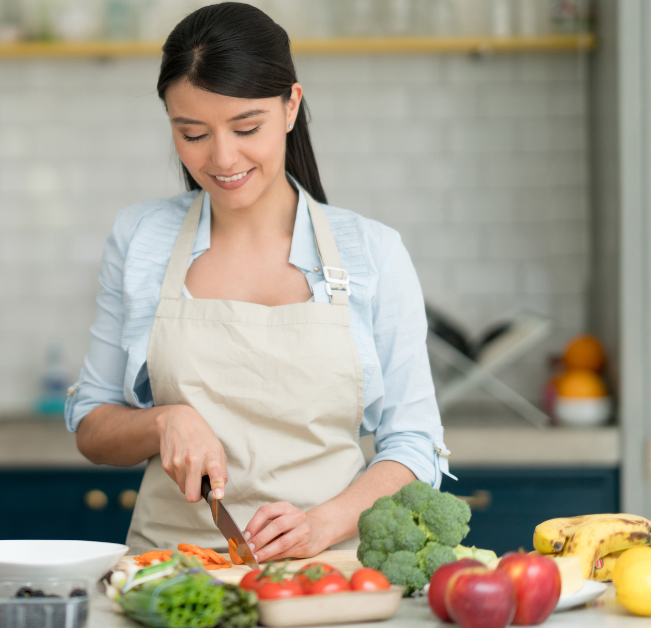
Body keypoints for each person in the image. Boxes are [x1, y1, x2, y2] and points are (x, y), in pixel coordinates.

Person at [66, 2, 451, 562]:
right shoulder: (141, 238)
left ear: (291, 106)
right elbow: (93, 425)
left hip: (326, 575)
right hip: (173, 578)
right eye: (192, 133)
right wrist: (163, 421)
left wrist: (323, 525)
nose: (223, 158)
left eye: (247, 128)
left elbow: (415, 445)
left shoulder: (372, 252)